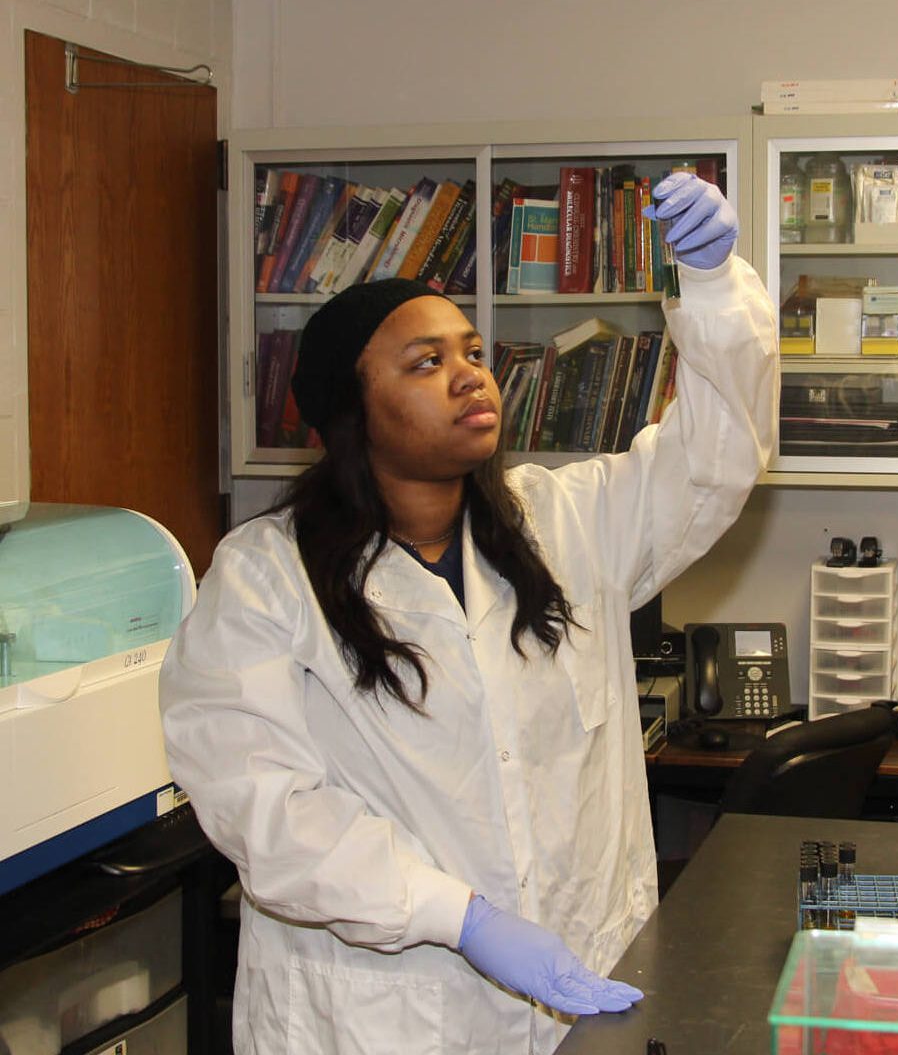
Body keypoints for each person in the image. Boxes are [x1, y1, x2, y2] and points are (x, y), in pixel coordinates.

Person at [159, 172, 777, 1055]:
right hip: (383, 1015)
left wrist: (713, 286)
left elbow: (716, 460)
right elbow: (270, 811)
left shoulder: (566, 523)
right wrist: (465, 918)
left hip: (580, 985)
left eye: (473, 352)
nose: (469, 377)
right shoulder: (263, 582)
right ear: (350, 412)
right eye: (426, 363)